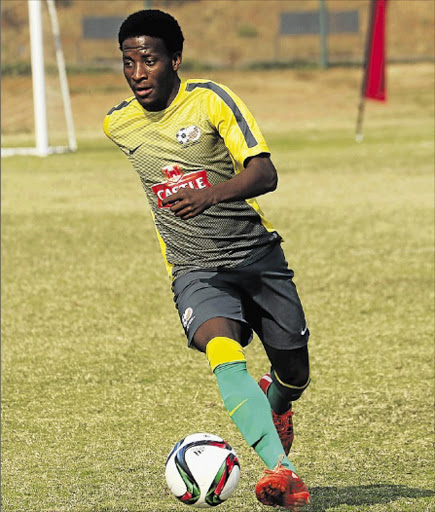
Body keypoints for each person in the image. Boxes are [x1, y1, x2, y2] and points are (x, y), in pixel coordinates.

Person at [103, 9, 311, 511]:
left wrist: (210, 195)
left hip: (258, 258)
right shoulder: (119, 125)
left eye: (149, 60)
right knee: (223, 350)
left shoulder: (210, 101)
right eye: (128, 62)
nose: (137, 73)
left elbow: (265, 174)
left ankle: (275, 401)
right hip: (195, 270)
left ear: (175, 60)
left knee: (295, 371)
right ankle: (283, 474)